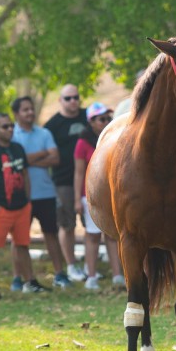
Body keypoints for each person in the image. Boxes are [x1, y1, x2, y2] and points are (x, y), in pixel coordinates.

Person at [0, 113, 47, 299]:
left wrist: (28, 200)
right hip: (0, 207)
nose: (9, 129)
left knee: (23, 245)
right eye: (4, 126)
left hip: (21, 207)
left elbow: (24, 174)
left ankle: (30, 281)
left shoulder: (17, 148)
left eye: (10, 126)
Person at [11, 96, 72, 289]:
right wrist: (40, 155)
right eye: (25, 109)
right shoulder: (11, 135)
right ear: (17, 113)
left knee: (51, 234)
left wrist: (27, 160)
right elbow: (15, 160)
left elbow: (55, 158)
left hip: (46, 193)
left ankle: (60, 274)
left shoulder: (44, 133)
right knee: (19, 239)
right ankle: (18, 277)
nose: (30, 112)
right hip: (21, 195)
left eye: (31, 109)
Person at [73, 103, 123, 290]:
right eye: (101, 119)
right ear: (91, 122)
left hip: (111, 195)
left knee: (112, 235)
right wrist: (78, 198)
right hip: (91, 196)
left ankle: (118, 274)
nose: (105, 122)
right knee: (92, 236)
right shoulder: (82, 143)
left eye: (107, 118)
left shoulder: (113, 138)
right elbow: (78, 172)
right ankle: (91, 276)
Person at [43, 84, 88, 282]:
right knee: (67, 224)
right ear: (60, 100)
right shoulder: (52, 126)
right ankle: (71, 266)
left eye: (76, 97)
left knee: (93, 225)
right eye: (68, 98)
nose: (73, 101)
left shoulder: (90, 117)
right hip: (63, 181)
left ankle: (90, 265)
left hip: (90, 180)